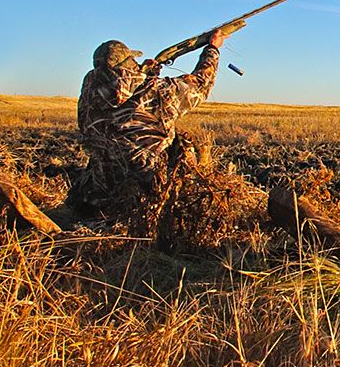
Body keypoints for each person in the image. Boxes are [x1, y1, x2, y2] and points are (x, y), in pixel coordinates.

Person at [70, 28, 239, 246]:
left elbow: (125, 96)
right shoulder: (158, 92)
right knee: (183, 145)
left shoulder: (89, 97)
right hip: (147, 196)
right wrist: (213, 49)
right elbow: (200, 84)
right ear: (129, 65)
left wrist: (147, 74)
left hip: (100, 192)